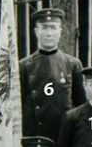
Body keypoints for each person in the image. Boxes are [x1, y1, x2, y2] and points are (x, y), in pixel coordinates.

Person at [20, 8, 85, 140]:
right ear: (36, 31)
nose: (49, 33)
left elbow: (81, 105)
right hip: (35, 136)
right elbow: (19, 105)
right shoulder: (24, 65)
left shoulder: (72, 64)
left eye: (53, 28)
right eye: (44, 28)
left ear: (60, 31)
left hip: (65, 134)